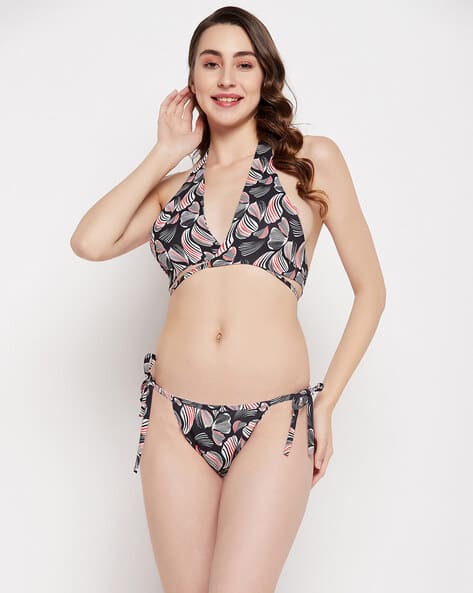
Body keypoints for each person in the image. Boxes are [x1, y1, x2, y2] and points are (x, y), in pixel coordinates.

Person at [70, 6, 386, 593]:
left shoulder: (310, 162)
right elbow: (89, 242)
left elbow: (371, 292)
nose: (226, 78)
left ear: (265, 75)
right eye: (210, 64)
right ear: (191, 79)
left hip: (275, 421)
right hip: (174, 420)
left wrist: (326, 403)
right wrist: (165, 151)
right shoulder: (173, 190)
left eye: (243, 64)